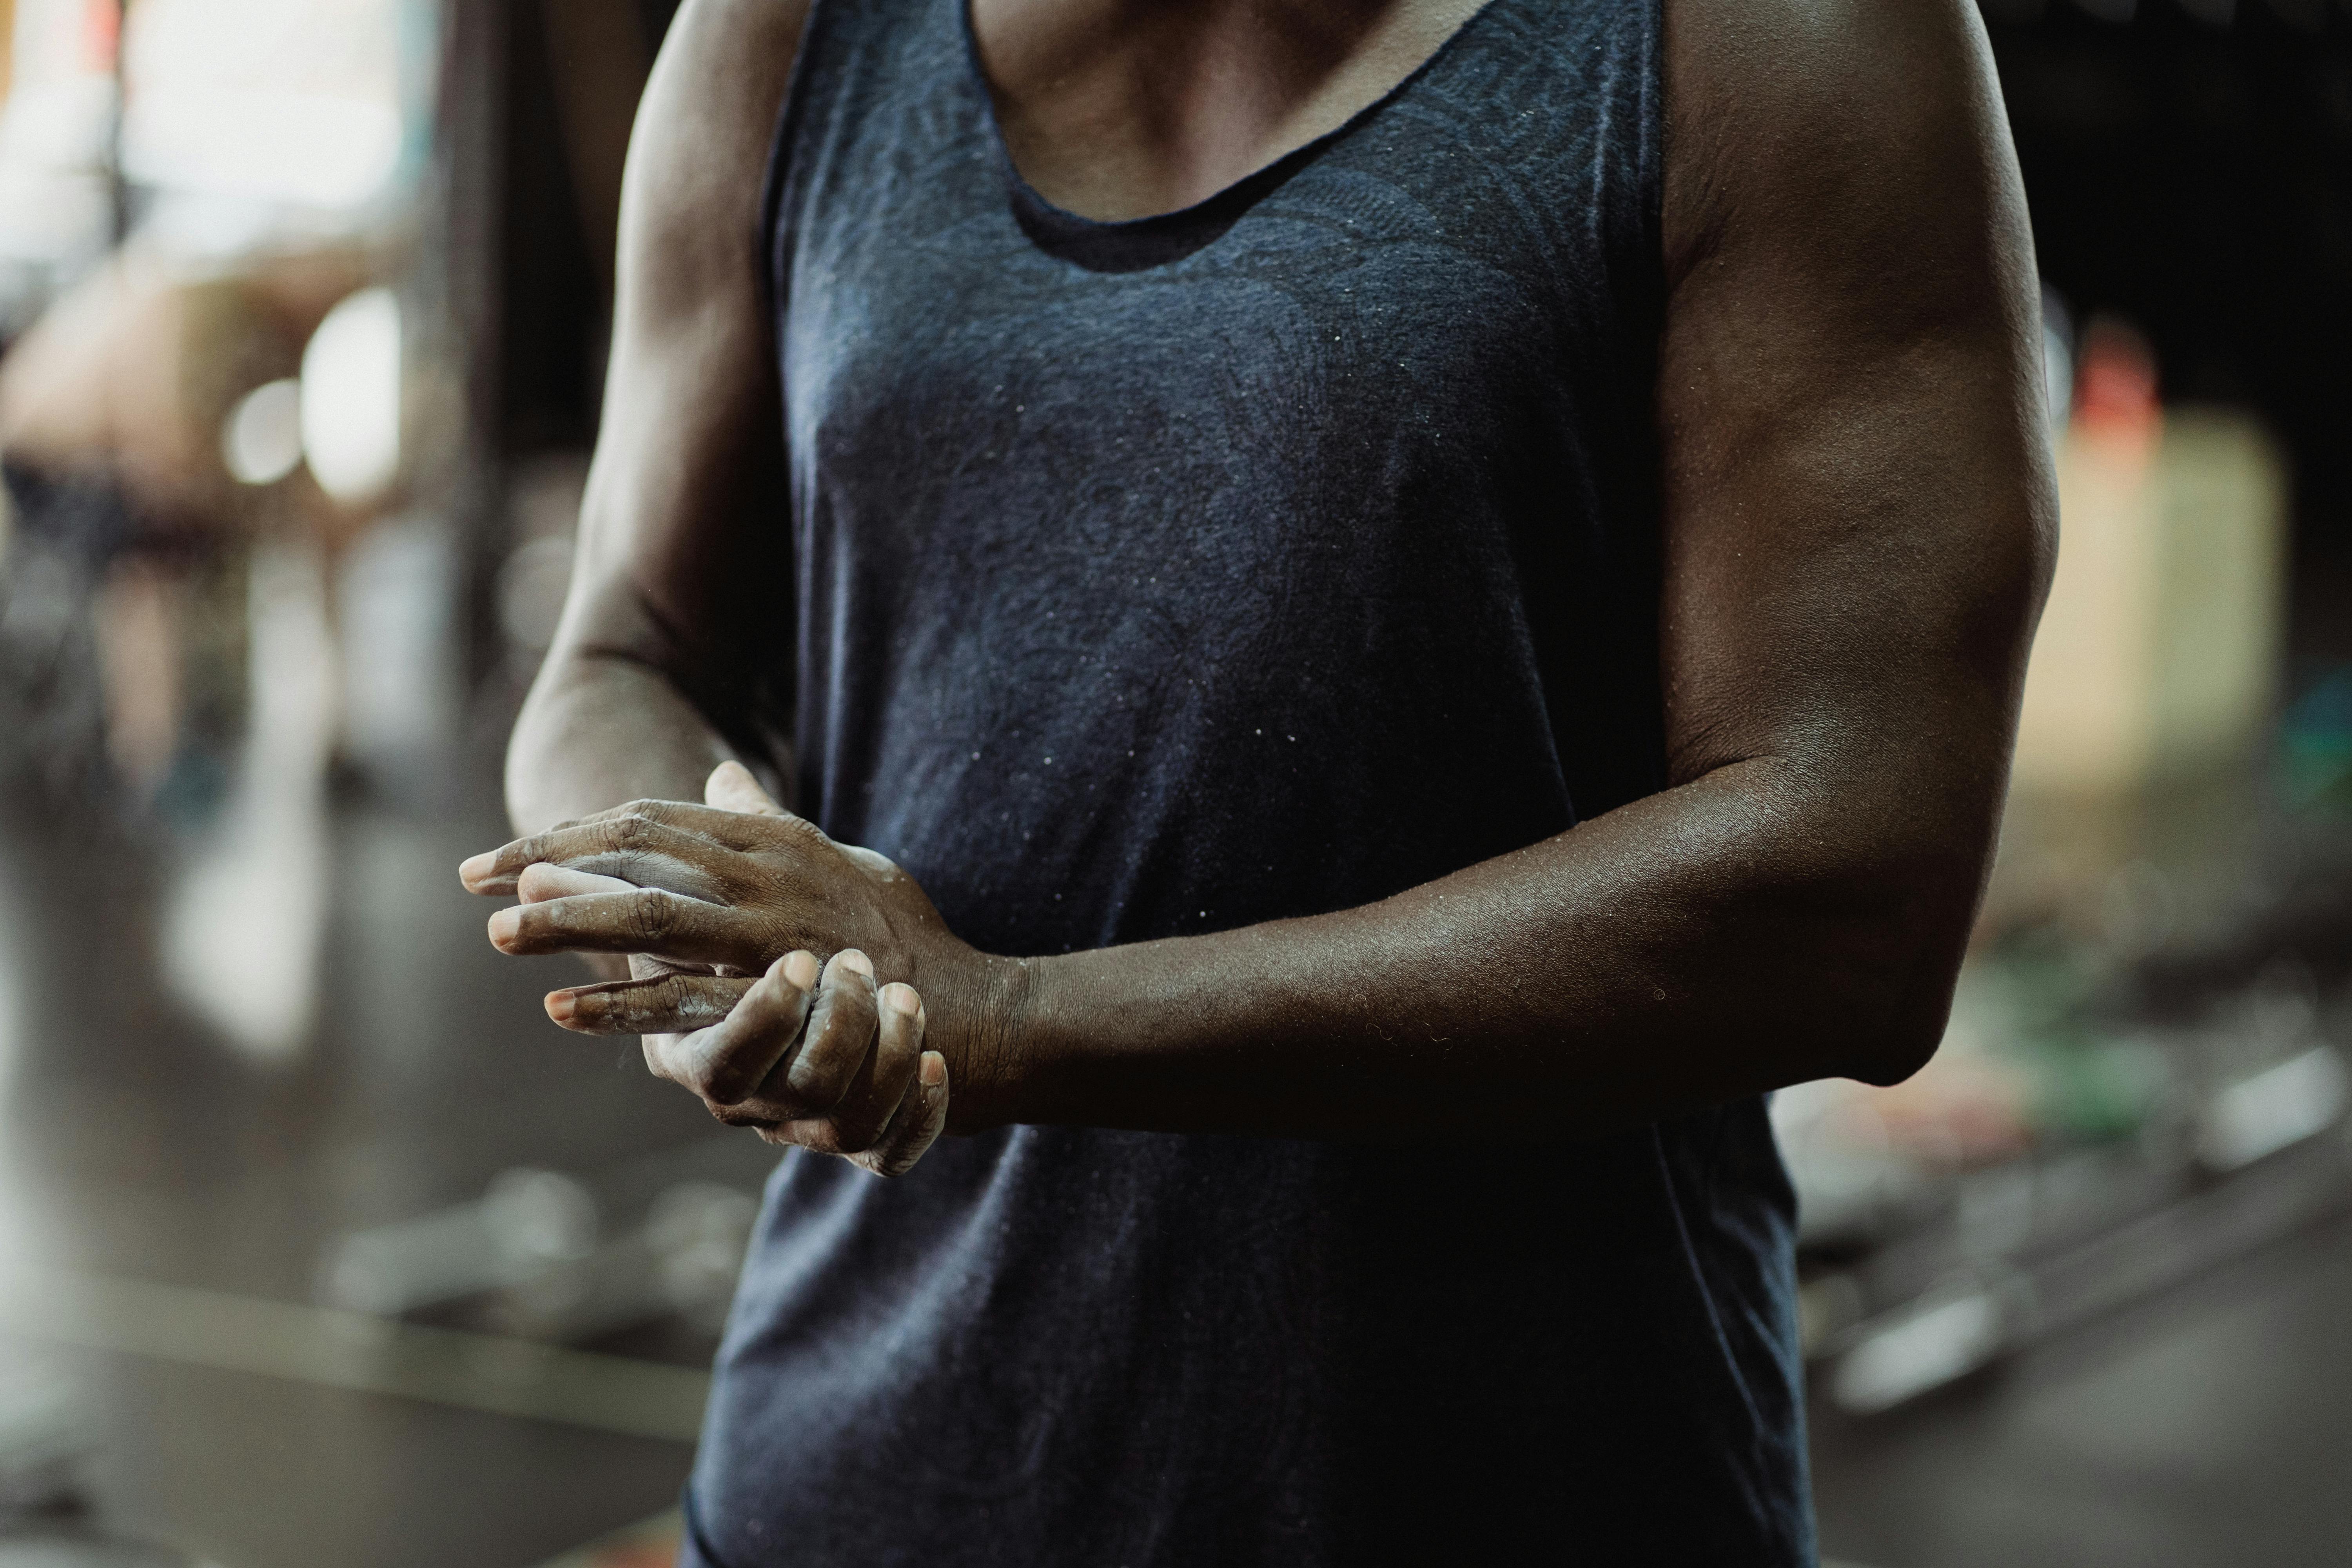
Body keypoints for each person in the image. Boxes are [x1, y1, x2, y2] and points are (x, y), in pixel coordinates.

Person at [462, 0, 2053, 1559]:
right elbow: (626, 650)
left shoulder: (1769, 40)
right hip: (850, 1484)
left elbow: (1853, 894)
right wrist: (722, 920)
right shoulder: (790, 35)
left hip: (1515, 1492)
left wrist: (1011, 1019)